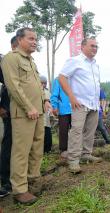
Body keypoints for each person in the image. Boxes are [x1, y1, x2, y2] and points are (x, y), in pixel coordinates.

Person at [1, 28, 52, 204]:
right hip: (23, 113)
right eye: (31, 38)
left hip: (38, 111)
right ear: (20, 39)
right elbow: (13, 86)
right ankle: (19, 189)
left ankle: (33, 180)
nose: (34, 41)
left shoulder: (31, 61)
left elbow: (38, 84)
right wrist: (28, 107)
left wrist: (45, 99)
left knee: (37, 148)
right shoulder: (11, 58)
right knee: (21, 151)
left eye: (36, 39)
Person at [59, 37, 102, 174]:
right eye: (92, 46)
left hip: (93, 104)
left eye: (96, 46)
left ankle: (86, 154)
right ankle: (73, 160)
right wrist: (71, 96)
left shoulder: (95, 64)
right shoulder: (75, 61)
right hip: (80, 103)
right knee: (77, 130)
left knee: (90, 130)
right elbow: (61, 77)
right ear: (83, 46)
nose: (95, 48)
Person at [0, 36, 18, 198]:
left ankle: (16, 177)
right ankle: (5, 180)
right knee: (8, 142)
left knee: (15, 144)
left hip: (18, 109)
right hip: (7, 109)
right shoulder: (5, 60)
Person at [50, 77, 72, 162]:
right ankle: (63, 150)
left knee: (77, 130)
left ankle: (75, 148)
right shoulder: (58, 79)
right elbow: (54, 94)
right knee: (63, 130)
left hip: (75, 108)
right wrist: (54, 106)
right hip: (63, 109)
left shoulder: (75, 78)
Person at [40, 76, 52, 153]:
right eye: (42, 83)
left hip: (47, 118)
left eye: (45, 83)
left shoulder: (48, 92)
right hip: (39, 116)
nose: (43, 85)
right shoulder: (35, 91)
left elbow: (51, 103)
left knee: (47, 135)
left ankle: (47, 150)